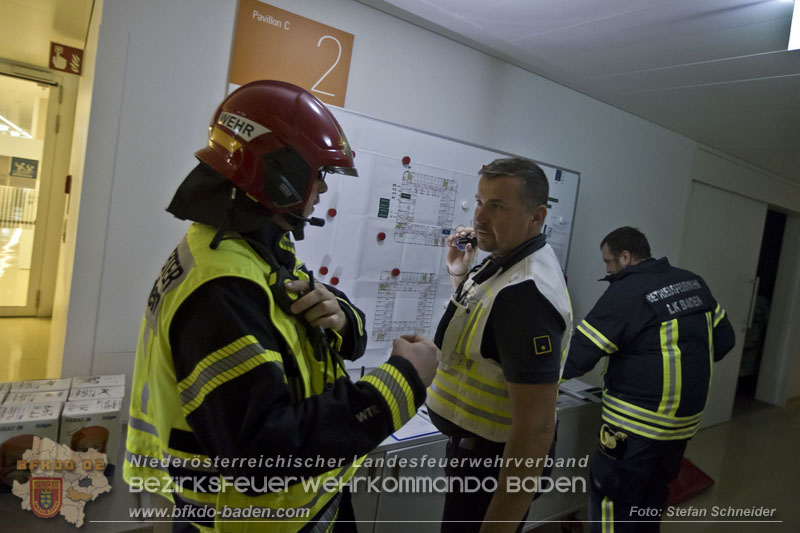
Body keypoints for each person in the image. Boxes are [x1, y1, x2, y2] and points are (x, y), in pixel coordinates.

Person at [123, 80, 438, 532]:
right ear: (280, 171)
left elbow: (306, 341)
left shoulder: (251, 248)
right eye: (320, 175)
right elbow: (263, 456)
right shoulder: (221, 288)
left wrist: (345, 320)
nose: (323, 191)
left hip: (303, 508)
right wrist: (402, 383)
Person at [426, 157, 573, 532]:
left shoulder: (526, 295)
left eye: (497, 206)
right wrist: (459, 275)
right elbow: (484, 335)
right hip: (471, 454)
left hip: (491, 467)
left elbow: (537, 429)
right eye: (479, 201)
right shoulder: (502, 262)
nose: (479, 217)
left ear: (536, 216)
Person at [562, 226, 736, 532]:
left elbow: (576, 358)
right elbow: (724, 340)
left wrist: (530, 376)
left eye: (608, 262)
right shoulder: (692, 282)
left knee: (611, 502)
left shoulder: (627, 291)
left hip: (633, 427)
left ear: (626, 257)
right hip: (683, 424)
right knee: (651, 498)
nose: (608, 269)